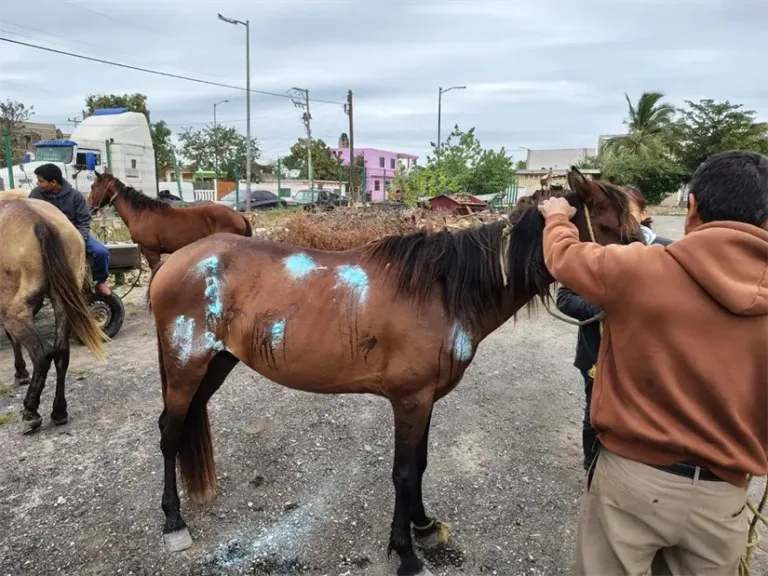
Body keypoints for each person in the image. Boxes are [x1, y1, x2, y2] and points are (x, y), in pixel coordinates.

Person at [539, 150, 768, 576]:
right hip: (724, 500)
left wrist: (555, 217)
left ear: (692, 207)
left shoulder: (641, 269)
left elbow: (563, 258)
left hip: (633, 482)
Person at [557, 186, 673, 472]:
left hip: (647, 360)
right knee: (594, 415)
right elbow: (565, 297)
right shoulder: (593, 251)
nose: (621, 217)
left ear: (644, 214)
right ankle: (592, 469)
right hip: (596, 354)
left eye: (628, 209)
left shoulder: (670, 252)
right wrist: (599, 309)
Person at [30, 163, 111, 295]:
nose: (37, 183)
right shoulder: (36, 195)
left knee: (101, 252)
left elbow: (84, 222)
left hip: (75, 234)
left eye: (41, 181)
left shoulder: (75, 196)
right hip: (45, 237)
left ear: (54, 182)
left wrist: (79, 240)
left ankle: (100, 281)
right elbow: (31, 219)